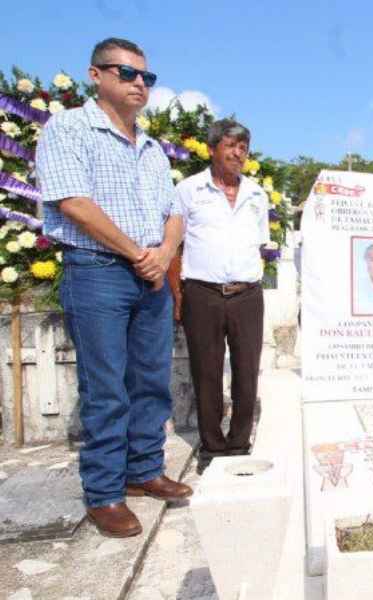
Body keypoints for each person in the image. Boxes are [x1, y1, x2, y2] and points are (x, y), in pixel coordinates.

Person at [35, 37, 191, 538]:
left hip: (151, 275)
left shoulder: (151, 148)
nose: (139, 83)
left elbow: (174, 212)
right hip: (100, 271)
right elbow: (71, 201)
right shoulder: (70, 128)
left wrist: (163, 254)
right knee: (106, 387)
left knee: (150, 380)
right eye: (126, 73)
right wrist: (137, 252)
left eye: (146, 76)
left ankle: (143, 471)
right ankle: (104, 492)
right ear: (95, 75)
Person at [175, 119, 269, 474]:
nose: (237, 153)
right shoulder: (189, 190)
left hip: (247, 295)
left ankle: (239, 443)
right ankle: (212, 448)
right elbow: (175, 242)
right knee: (207, 372)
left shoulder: (257, 194)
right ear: (212, 148)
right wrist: (177, 295)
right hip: (203, 293)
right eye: (230, 146)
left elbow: (258, 242)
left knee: (247, 372)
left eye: (243, 147)